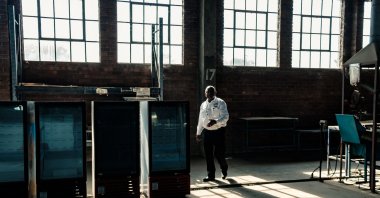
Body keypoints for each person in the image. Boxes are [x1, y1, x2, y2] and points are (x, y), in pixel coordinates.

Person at [196, 85, 229, 182]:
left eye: (211, 92)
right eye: (207, 92)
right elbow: (200, 120)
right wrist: (198, 133)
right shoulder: (203, 105)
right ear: (205, 93)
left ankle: (224, 168)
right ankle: (211, 175)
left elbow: (226, 117)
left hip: (219, 132)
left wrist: (216, 121)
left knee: (219, 154)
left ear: (215, 93)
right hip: (207, 133)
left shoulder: (221, 102)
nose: (209, 93)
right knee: (208, 154)